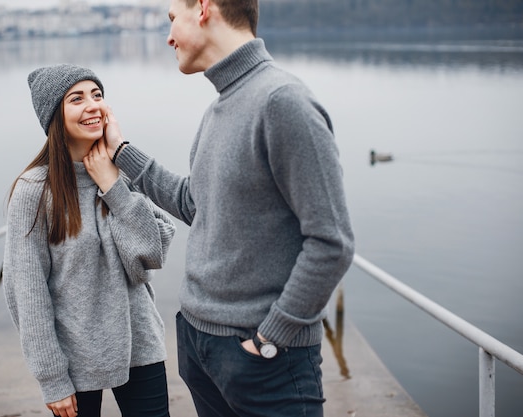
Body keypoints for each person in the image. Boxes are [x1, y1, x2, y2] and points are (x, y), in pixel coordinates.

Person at [103, 0, 356, 416]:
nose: (168, 37)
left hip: (265, 360)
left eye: (172, 19)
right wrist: (121, 152)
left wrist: (271, 337)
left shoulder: (282, 101)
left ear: (203, 8)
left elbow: (332, 243)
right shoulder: (219, 107)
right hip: (201, 346)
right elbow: (194, 203)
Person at [3, 64, 176, 417]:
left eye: (97, 95)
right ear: (55, 115)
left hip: (139, 344)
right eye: (77, 99)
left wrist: (113, 185)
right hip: (74, 357)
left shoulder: (118, 173)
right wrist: (52, 378)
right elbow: (28, 292)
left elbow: (151, 252)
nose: (93, 105)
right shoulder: (35, 191)